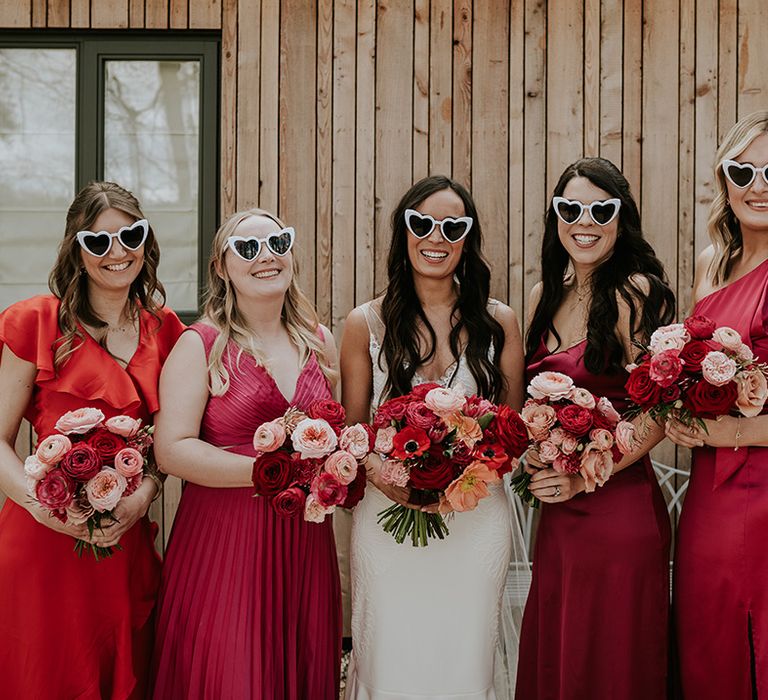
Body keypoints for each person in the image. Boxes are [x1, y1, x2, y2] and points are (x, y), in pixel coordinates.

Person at [341, 175, 528, 699]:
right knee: (392, 658)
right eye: (422, 223)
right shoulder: (365, 324)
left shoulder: (499, 322)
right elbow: (353, 433)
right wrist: (386, 475)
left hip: (475, 516)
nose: (436, 236)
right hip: (387, 518)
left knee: (465, 658)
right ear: (404, 232)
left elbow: (512, 431)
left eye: (452, 226)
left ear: (468, 238)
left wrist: (462, 475)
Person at [0, 181, 184, 698]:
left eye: (131, 236)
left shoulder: (166, 331)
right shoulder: (34, 322)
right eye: (98, 241)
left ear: (146, 243)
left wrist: (145, 494)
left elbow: (167, 444)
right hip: (40, 543)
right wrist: (45, 508)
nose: (116, 252)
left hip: (122, 541)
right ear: (77, 252)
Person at [151, 208, 342, 699]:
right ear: (222, 267)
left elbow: (340, 429)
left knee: (299, 664)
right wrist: (270, 474)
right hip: (224, 540)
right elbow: (171, 450)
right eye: (247, 248)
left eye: (278, 244)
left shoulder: (320, 343)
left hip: (303, 542)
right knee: (232, 673)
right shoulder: (201, 344)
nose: (266, 257)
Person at [516, 157, 676, 699]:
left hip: (616, 505)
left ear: (620, 217)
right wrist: (537, 456)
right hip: (559, 515)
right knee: (564, 661)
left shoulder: (637, 292)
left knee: (613, 664)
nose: (584, 221)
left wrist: (586, 477)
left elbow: (658, 412)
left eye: (600, 209)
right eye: (570, 208)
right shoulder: (544, 297)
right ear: (556, 217)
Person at [666, 111, 768, 698]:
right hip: (708, 488)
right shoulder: (713, 263)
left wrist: (724, 432)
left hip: (759, 480)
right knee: (706, 637)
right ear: (724, 181)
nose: (757, 184)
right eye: (742, 169)